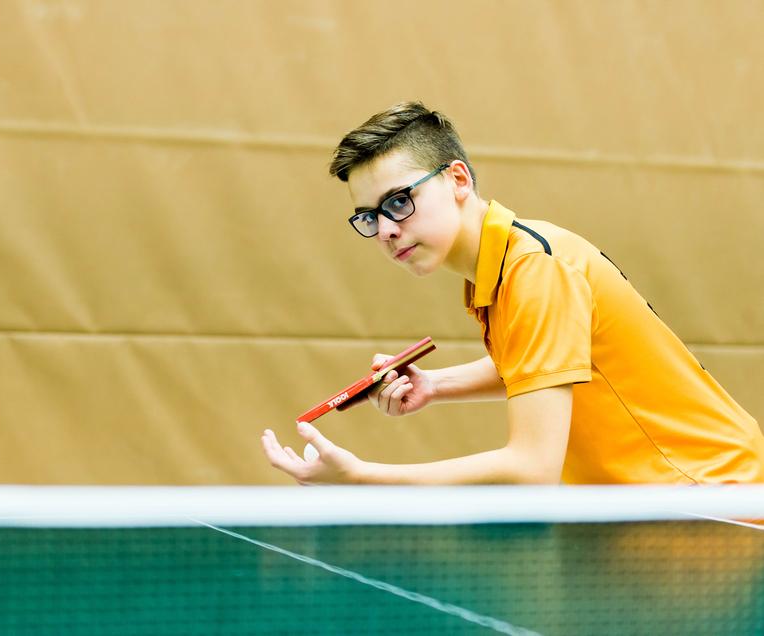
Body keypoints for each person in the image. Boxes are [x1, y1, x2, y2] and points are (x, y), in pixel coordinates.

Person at [261, 101, 764, 485]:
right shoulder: (501, 267)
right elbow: (550, 362)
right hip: (664, 506)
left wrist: (362, 478)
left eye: (398, 201)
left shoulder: (534, 271)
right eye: (369, 216)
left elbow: (531, 468)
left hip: (710, 498)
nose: (387, 229)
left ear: (458, 179)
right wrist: (435, 384)